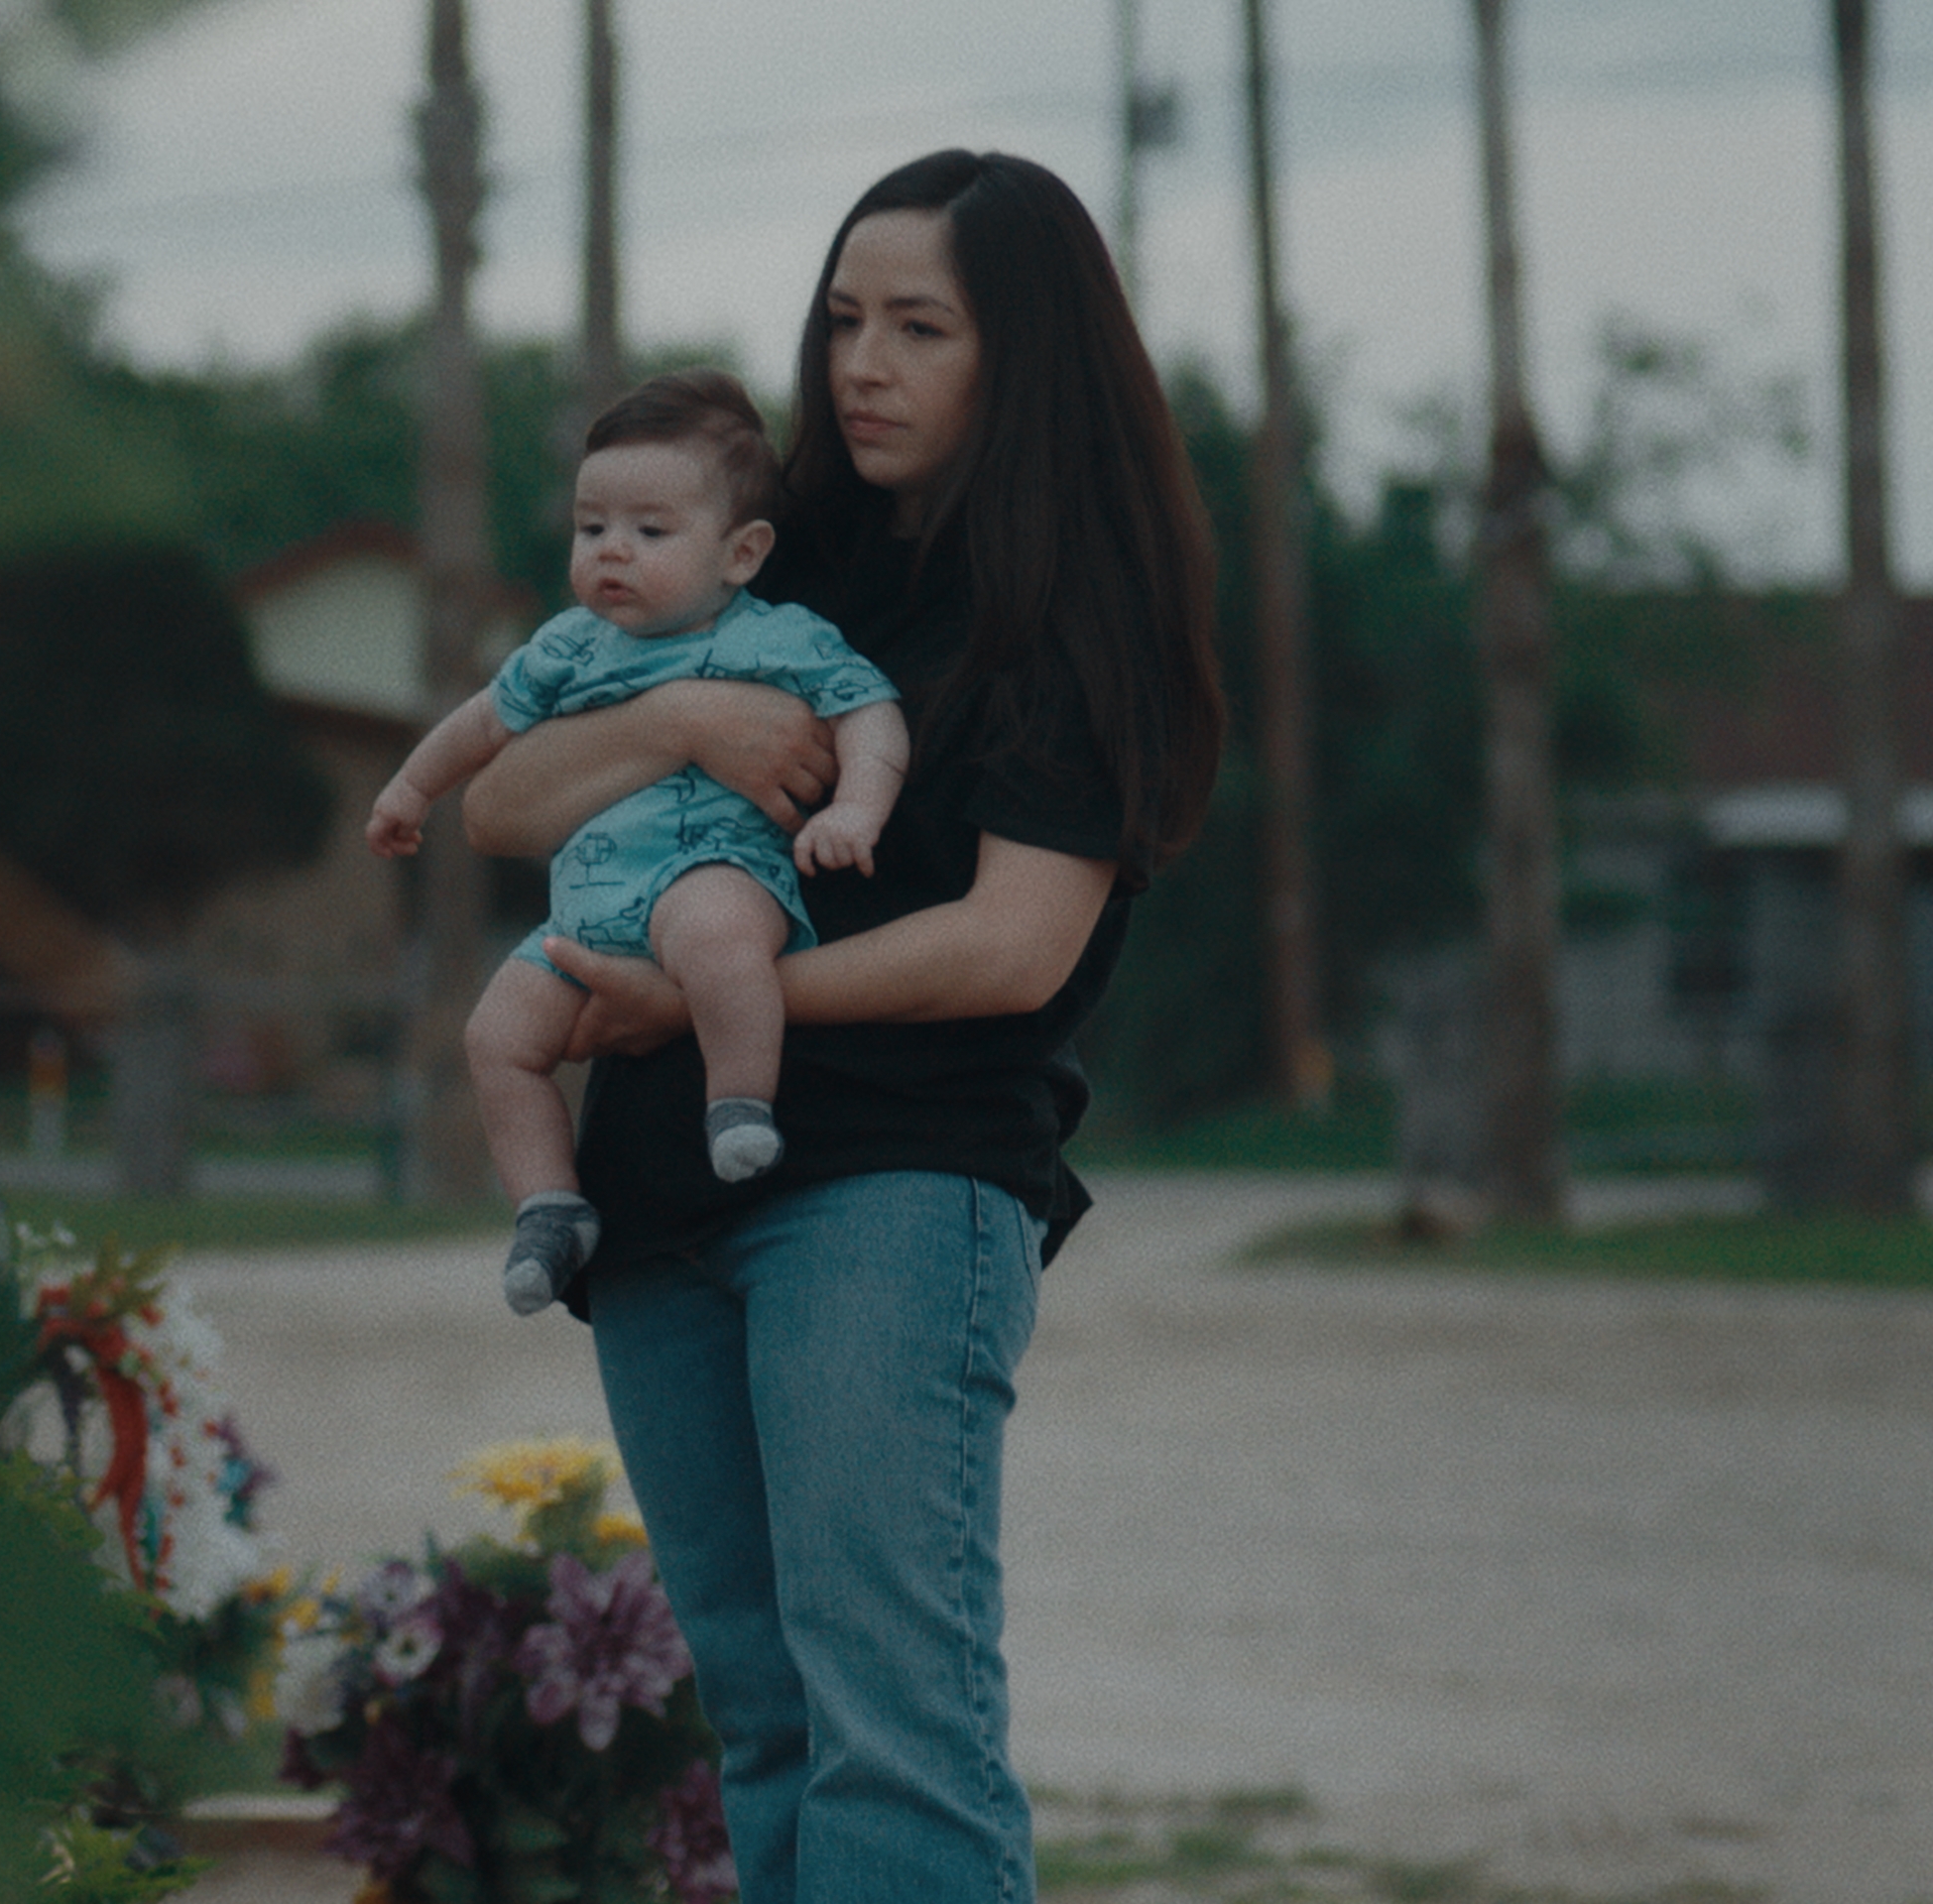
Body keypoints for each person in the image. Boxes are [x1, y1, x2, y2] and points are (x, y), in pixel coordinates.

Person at [459, 151, 1224, 1903]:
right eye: (842, 318)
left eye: (919, 327)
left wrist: (707, 996)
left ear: (1022, 356)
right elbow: (506, 798)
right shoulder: (749, 563)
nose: (860, 362)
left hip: (887, 1188)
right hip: (653, 1198)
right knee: (765, 1721)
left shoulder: (1079, 612)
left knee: (896, 1726)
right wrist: (690, 725)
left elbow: (1014, 946)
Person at [365, 370, 908, 1318]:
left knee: (713, 942)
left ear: (741, 552)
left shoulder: (776, 638)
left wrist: (854, 810)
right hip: (586, 908)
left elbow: (871, 714)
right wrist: (411, 788)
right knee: (497, 1037)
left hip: (714, 868)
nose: (613, 550)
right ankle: (549, 1207)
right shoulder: (568, 647)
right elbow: (482, 724)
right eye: (592, 528)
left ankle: (738, 1103)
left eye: (650, 532)